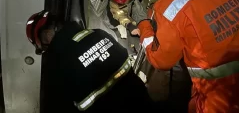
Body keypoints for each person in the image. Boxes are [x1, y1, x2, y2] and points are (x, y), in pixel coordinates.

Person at [26, 11, 157, 113]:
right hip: (144, 103)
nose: (46, 50)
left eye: (42, 47)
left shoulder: (57, 68)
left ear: (46, 35)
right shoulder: (100, 34)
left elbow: (57, 108)